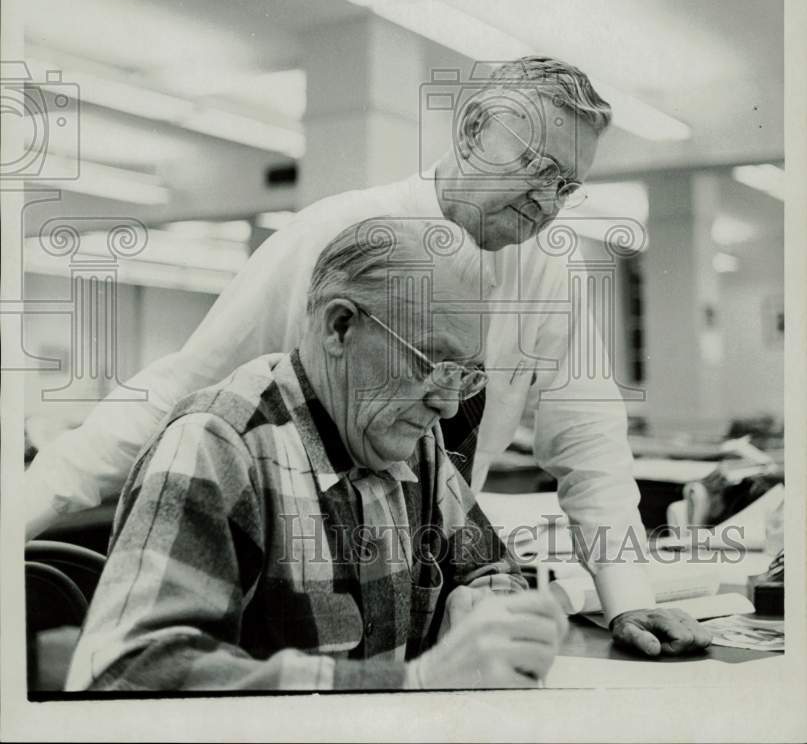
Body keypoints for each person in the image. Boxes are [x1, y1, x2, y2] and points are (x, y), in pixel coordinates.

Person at [28, 55, 711, 657]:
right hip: (300, 584)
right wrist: (20, 510)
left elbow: (588, 440)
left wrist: (626, 595)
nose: (547, 203)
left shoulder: (545, 272)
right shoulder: (335, 235)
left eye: (566, 185)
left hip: (418, 576)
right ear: (473, 131)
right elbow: (179, 386)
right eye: (535, 166)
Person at [66, 219, 568, 691]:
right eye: (433, 364)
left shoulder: (416, 442)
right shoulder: (220, 446)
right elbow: (124, 672)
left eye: (464, 373)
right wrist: (414, 683)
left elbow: (491, 568)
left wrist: (489, 609)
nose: (449, 403)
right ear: (340, 327)